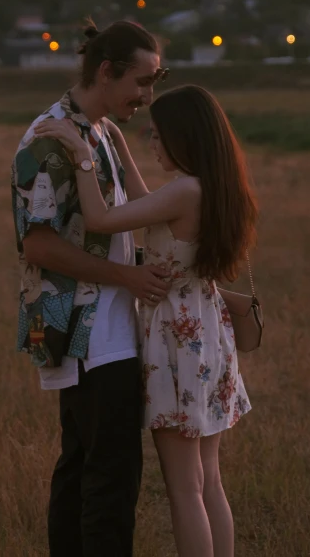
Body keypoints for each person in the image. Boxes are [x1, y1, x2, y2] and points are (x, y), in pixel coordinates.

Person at [33, 84, 258, 557]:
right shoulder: (212, 187)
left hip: (178, 339)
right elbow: (145, 203)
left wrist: (82, 155)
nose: (152, 144)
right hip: (208, 329)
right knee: (210, 481)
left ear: (184, 137)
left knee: (184, 488)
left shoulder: (183, 192)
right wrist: (113, 139)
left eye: (158, 136)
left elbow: (100, 218)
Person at [11, 20, 172, 557]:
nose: (149, 96)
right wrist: (128, 276)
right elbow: (37, 247)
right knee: (108, 480)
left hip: (109, 332)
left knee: (86, 470)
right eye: (143, 81)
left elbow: (131, 214)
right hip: (84, 335)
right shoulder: (49, 139)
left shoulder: (100, 132)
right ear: (106, 71)